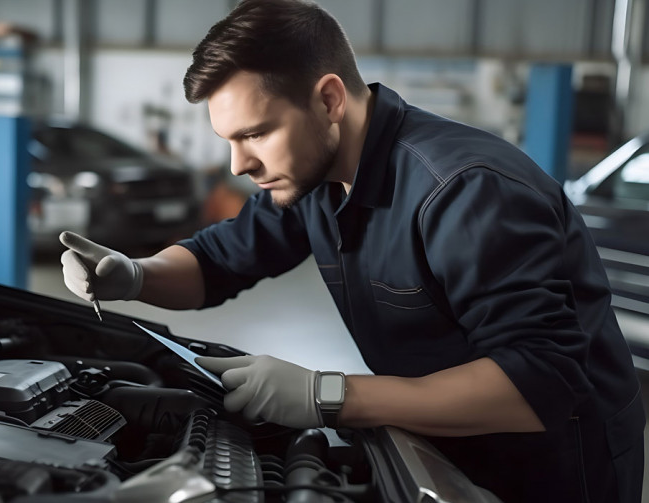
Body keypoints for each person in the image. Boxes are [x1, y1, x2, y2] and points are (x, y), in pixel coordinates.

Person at [59, 0, 645, 501]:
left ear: (330, 99)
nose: (240, 164)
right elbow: (219, 262)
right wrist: (133, 275)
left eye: (256, 133)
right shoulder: (313, 177)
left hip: (551, 468)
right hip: (438, 442)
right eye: (229, 141)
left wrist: (326, 394)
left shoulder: (463, 190)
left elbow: (539, 384)